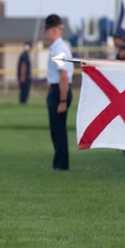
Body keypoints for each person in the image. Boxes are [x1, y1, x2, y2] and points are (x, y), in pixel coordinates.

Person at [44, 15, 73, 171]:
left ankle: (61, 165)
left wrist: (62, 100)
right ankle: (59, 164)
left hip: (59, 90)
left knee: (59, 131)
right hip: (57, 89)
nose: (45, 33)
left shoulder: (59, 49)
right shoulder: (56, 47)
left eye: (47, 30)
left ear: (54, 30)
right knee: (56, 131)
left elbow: (63, 75)